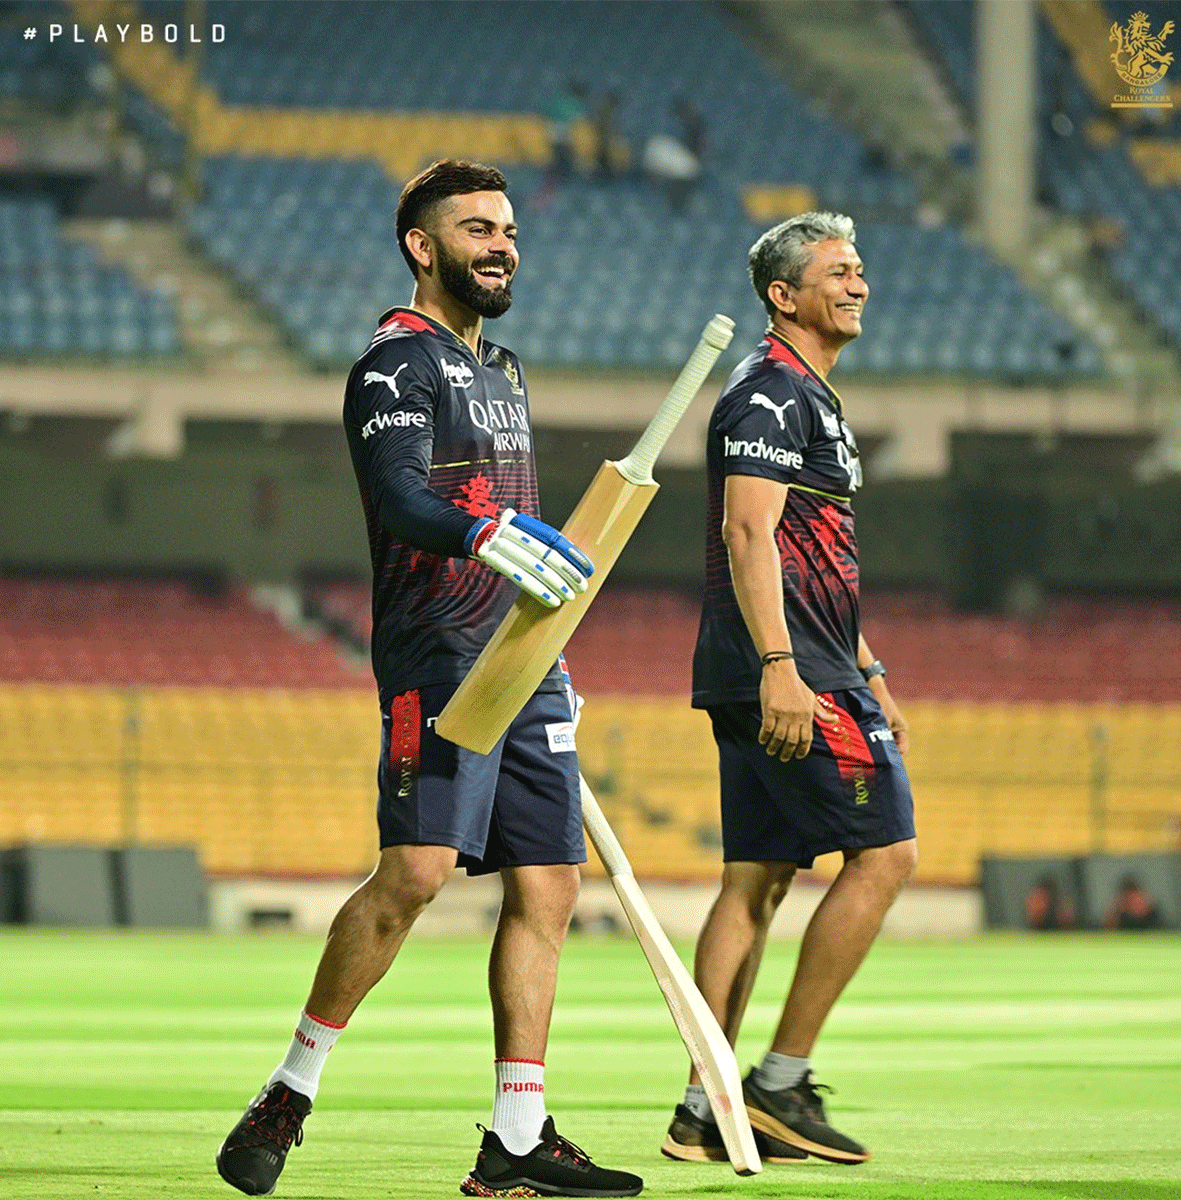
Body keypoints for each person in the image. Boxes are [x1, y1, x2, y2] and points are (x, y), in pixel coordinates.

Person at [216, 160, 641, 1200]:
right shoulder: (391, 368)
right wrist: (485, 531)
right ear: (423, 245)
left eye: (507, 229)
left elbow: (521, 522)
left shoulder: (509, 371)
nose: (502, 244)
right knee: (413, 876)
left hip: (525, 661)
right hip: (436, 658)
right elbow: (405, 500)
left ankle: (518, 1138)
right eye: (478, 229)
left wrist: (551, 649)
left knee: (550, 887)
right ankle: (289, 1088)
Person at [661, 213, 917, 1168]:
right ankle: (777, 1083)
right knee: (886, 857)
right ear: (784, 295)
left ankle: (704, 1102)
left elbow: (821, 558)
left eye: (860, 268)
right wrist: (785, 668)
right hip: (787, 671)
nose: (857, 283)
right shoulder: (771, 393)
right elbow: (748, 534)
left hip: (800, 662)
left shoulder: (808, 395)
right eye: (838, 271)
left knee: (757, 879)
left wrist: (871, 666)